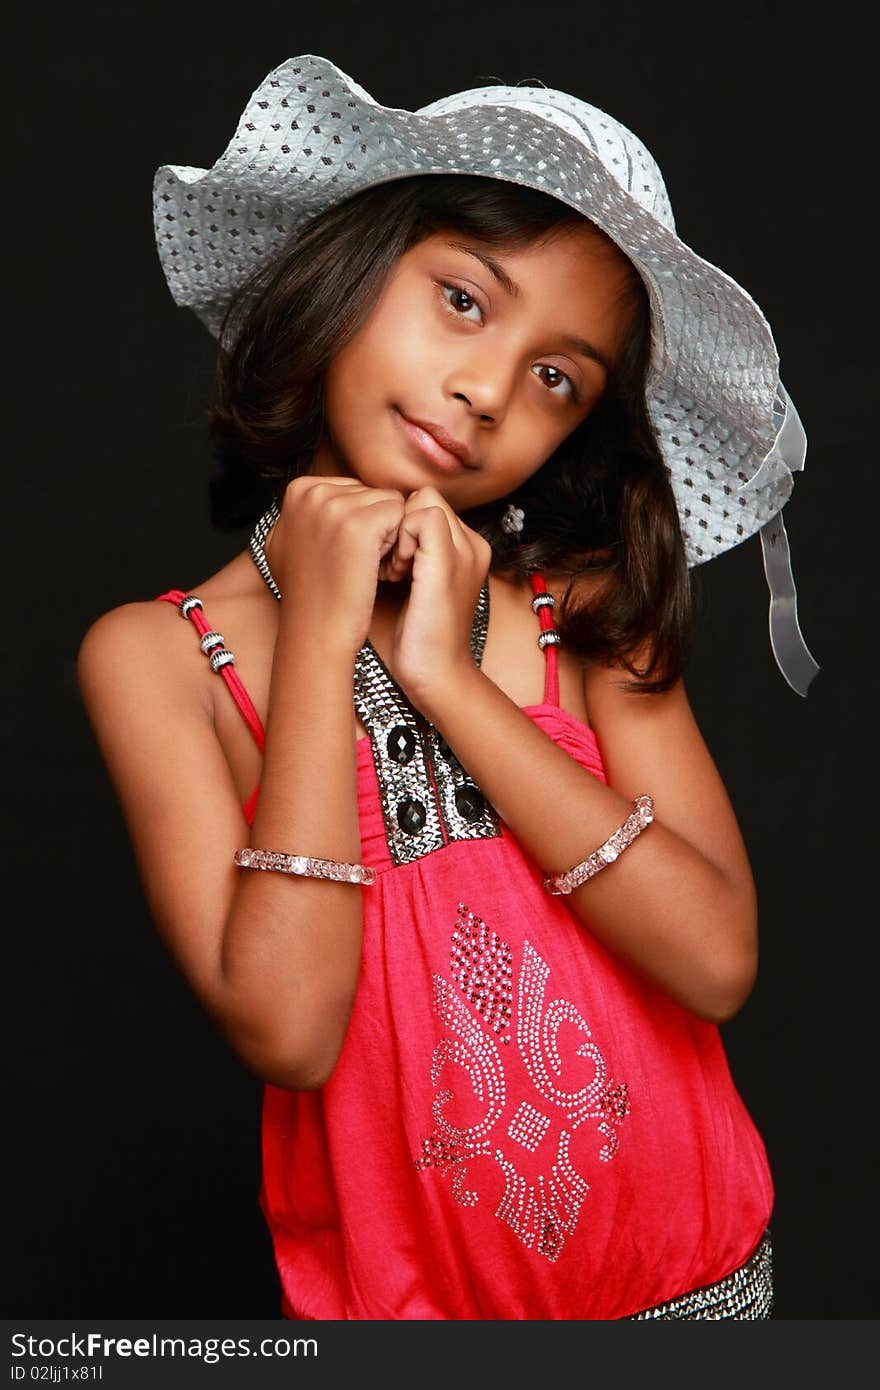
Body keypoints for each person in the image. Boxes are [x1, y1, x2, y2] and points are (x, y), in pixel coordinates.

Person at [77, 54, 820, 1320]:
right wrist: (318, 632)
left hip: (702, 1295)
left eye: (557, 378)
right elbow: (290, 1029)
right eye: (465, 301)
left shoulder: (578, 607)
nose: (485, 391)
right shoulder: (162, 659)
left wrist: (451, 685)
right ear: (347, 270)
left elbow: (714, 962)